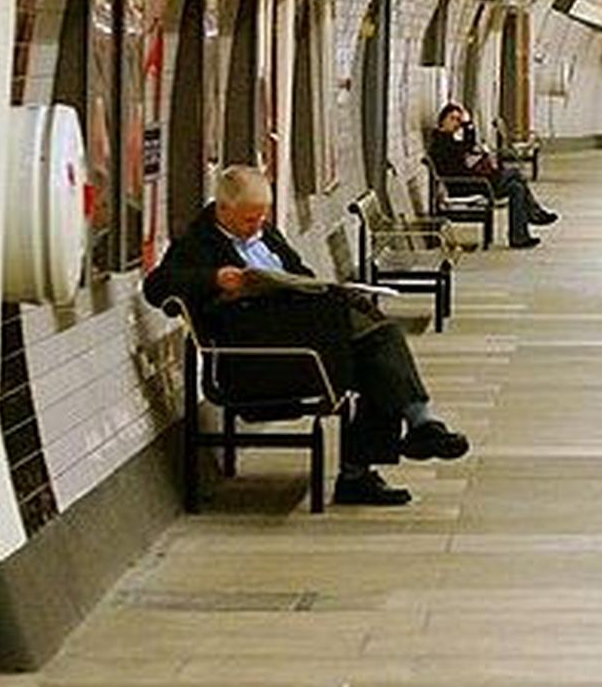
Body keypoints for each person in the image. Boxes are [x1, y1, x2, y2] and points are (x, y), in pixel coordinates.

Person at [146, 165, 467, 506]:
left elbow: (302, 275)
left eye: (260, 218)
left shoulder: (267, 234)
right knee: (380, 347)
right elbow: (157, 287)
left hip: (303, 338)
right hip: (258, 354)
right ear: (222, 209)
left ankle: (394, 448)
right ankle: (402, 438)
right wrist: (214, 279)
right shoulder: (196, 243)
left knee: (378, 356)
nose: (256, 226)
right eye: (248, 220)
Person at [427, 103, 555, 248]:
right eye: (452, 119)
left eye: (458, 120)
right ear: (442, 120)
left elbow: (466, 148)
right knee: (515, 173)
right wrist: (468, 125)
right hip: (466, 185)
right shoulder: (441, 142)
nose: (456, 123)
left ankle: (519, 237)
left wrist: (468, 130)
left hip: (475, 182)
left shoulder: (449, 139)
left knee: (517, 188)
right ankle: (534, 213)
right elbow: (465, 149)